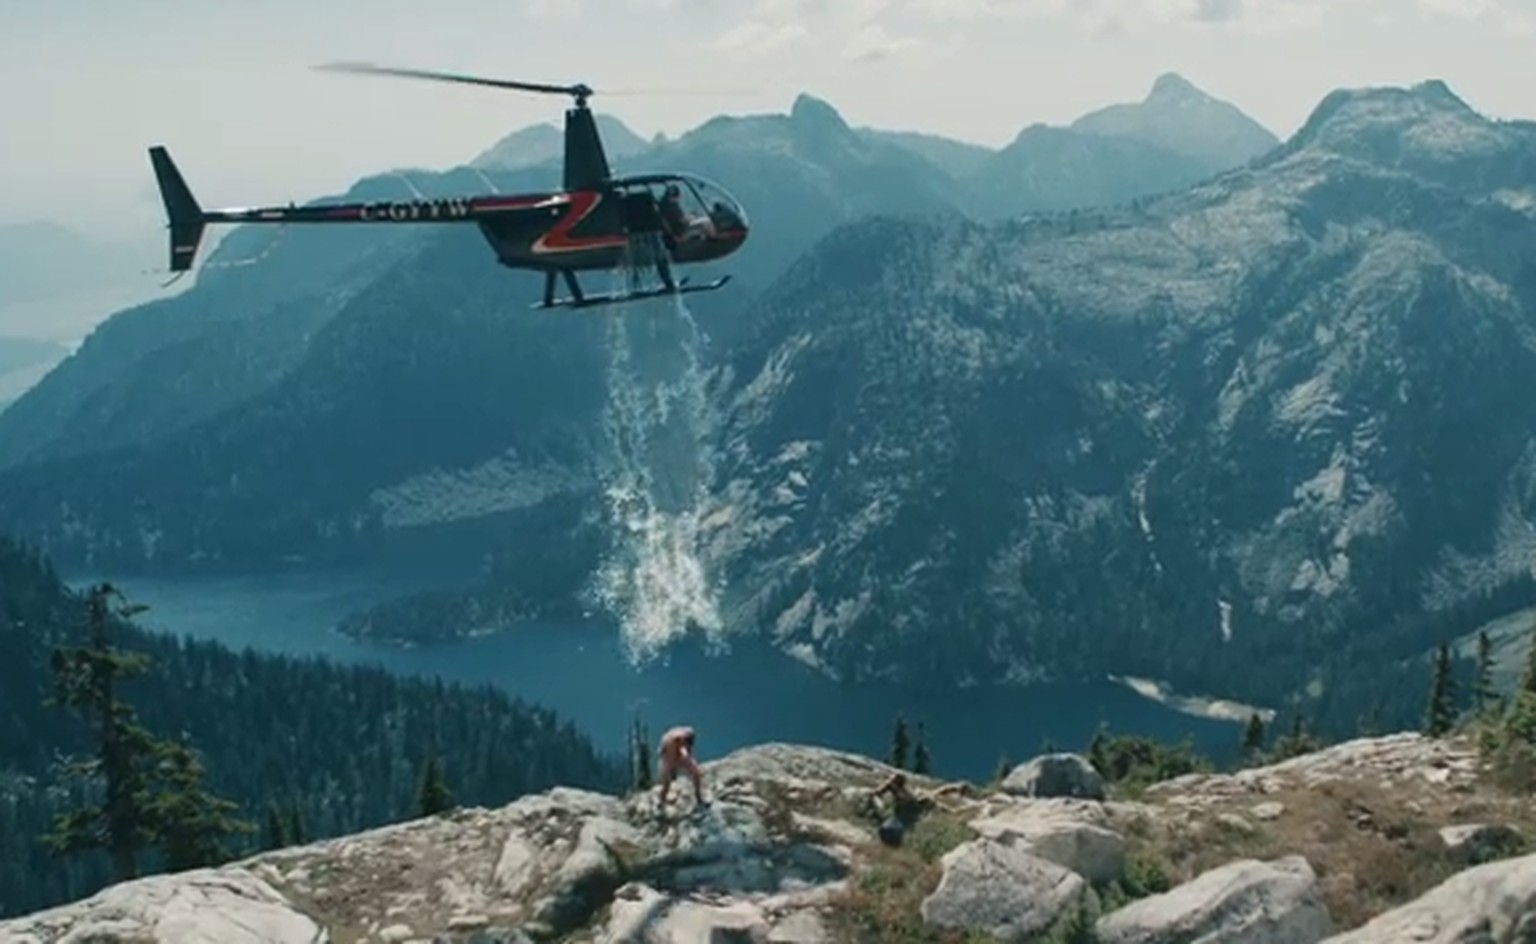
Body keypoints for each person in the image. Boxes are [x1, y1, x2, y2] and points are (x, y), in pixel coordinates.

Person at [657, 725, 706, 808]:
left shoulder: (685, 736)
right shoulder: (670, 738)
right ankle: (661, 801)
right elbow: (662, 751)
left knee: (696, 773)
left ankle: (699, 797)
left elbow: (687, 749)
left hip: (676, 756)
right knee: (666, 784)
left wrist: (687, 755)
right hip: (667, 759)